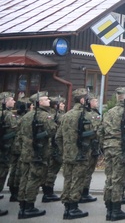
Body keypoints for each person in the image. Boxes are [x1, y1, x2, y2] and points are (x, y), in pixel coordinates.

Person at [100, 87, 125, 221]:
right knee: (118, 179)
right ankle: (116, 210)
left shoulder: (109, 112)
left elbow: (101, 131)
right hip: (121, 148)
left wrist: (105, 144)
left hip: (109, 147)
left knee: (110, 178)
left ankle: (109, 208)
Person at [17, 91, 57, 219]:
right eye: (46, 99)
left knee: (24, 178)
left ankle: (22, 204)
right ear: (39, 102)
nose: (49, 101)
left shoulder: (26, 116)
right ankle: (29, 206)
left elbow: (20, 133)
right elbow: (52, 130)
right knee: (34, 179)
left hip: (26, 153)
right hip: (38, 153)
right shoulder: (45, 116)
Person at [58, 87, 96, 219]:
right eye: (87, 99)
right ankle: (73, 208)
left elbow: (58, 137)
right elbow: (94, 134)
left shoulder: (66, 115)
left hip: (68, 154)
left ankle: (67, 207)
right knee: (77, 180)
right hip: (81, 153)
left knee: (68, 180)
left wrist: (65, 149)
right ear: (82, 100)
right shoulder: (87, 115)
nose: (89, 101)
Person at [78, 96, 101, 205]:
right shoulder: (89, 114)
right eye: (95, 100)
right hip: (88, 146)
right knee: (86, 170)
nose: (97, 102)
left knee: (89, 170)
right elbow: (96, 130)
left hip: (93, 146)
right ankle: (82, 193)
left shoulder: (94, 113)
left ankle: (85, 191)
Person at [42, 96, 65, 203]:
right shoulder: (56, 116)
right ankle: (48, 193)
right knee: (52, 169)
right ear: (56, 105)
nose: (64, 105)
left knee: (50, 169)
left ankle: (48, 191)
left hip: (51, 145)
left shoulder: (52, 114)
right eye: (62, 104)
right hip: (54, 145)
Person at [0, 92, 19, 214]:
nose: (14, 102)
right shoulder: (7, 114)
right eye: (11, 100)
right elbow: (16, 129)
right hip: (4, 149)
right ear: (4, 102)